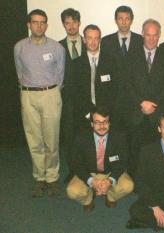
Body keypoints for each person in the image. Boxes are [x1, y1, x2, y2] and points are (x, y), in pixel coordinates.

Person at [14, 9, 65, 197]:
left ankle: (52, 177)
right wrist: (28, 89)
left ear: (47, 25)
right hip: (28, 95)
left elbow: (61, 74)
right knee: (34, 139)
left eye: (43, 22)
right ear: (29, 24)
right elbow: (19, 71)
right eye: (35, 22)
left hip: (50, 94)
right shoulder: (19, 47)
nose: (39, 25)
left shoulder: (56, 48)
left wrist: (50, 91)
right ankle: (39, 177)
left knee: (51, 139)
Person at [126, 19, 164, 177]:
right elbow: (127, 84)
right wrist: (141, 102)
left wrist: (153, 104)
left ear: (159, 35)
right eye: (148, 35)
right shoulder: (131, 55)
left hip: (158, 113)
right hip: (136, 112)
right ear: (142, 34)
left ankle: (155, 180)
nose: (152, 39)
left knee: (156, 152)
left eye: (155, 35)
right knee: (135, 150)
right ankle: (134, 180)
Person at [66, 105, 134, 212]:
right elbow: (75, 163)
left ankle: (110, 196)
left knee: (128, 186)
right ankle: (88, 199)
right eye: (97, 122)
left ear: (109, 123)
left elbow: (123, 162)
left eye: (105, 122)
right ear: (92, 124)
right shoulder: (81, 137)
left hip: (110, 172)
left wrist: (110, 181)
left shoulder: (119, 137)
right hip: (89, 172)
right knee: (72, 191)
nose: (102, 126)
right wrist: (91, 180)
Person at [101, 5, 143, 132]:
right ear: (115, 20)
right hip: (114, 99)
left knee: (134, 135)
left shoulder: (140, 40)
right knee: (116, 135)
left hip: (136, 99)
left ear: (131, 20)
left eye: (127, 18)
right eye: (120, 18)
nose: (124, 22)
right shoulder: (106, 41)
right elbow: (103, 70)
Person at [70, 24, 117, 131]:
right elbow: (74, 92)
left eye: (96, 38)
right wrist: (87, 113)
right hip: (84, 115)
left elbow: (115, 89)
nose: (93, 42)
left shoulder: (111, 62)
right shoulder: (76, 64)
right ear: (84, 40)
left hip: (106, 116)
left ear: (100, 40)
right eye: (89, 38)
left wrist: (105, 113)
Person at [59, 8, 86, 183]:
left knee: (86, 136)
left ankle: (88, 169)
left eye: (74, 22)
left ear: (79, 23)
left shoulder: (90, 43)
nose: (71, 26)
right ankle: (73, 170)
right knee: (69, 138)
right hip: (67, 101)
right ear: (63, 25)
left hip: (88, 100)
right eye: (67, 23)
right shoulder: (57, 47)